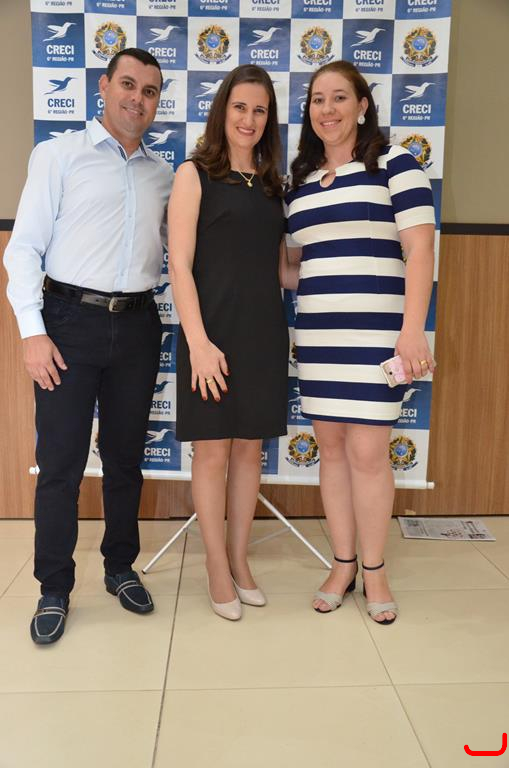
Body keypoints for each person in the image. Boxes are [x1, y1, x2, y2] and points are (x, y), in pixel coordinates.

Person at [3, 48, 173, 644]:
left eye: (149, 91)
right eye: (128, 84)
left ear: (157, 101)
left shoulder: (164, 176)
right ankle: (53, 586)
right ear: (104, 86)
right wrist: (32, 331)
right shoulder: (58, 156)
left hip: (139, 324)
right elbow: (24, 248)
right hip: (67, 323)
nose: (137, 98)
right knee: (61, 464)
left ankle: (120, 567)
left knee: (125, 459)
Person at [281, 61, 435, 625]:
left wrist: (412, 330)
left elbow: (420, 251)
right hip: (318, 338)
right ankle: (342, 563)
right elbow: (293, 269)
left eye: (340, 97)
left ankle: (375, 570)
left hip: (378, 338)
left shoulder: (396, 164)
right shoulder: (299, 181)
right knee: (331, 450)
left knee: (368, 455)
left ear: (363, 105)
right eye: (318, 100)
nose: (328, 109)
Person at [169, 65, 288, 620]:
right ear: (223, 111)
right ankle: (215, 566)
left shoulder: (272, 184)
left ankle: (240, 560)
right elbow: (179, 264)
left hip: (262, 334)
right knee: (213, 451)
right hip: (210, 335)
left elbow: (280, 269)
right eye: (240, 107)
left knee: (248, 451)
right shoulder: (193, 174)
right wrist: (198, 342)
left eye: (259, 110)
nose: (249, 119)